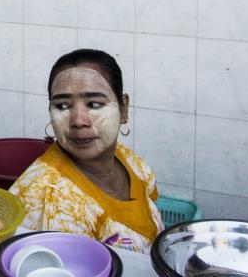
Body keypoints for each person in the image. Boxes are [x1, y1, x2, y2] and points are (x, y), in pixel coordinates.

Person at [10, 49, 163, 252]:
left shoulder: (129, 160)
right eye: (63, 106)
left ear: (123, 108)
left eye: (94, 104)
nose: (78, 121)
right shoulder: (53, 201)